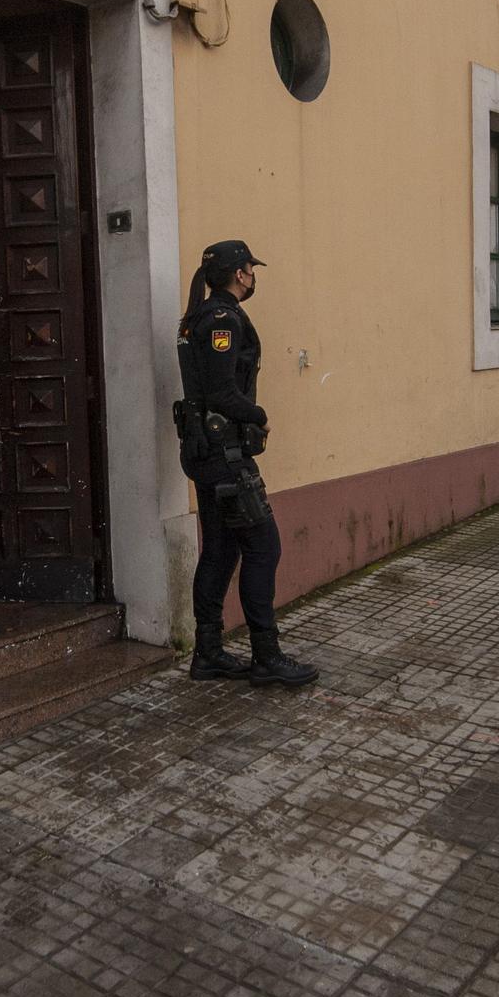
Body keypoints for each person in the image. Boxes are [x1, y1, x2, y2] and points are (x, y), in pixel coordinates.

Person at [172, 240, 317, 687]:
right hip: (225, 457)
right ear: (241, 274)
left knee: (221, 549)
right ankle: (266, 657)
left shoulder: (201, 315)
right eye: (252, 268)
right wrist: (258, 416)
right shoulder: (221, 319)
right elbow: (220, 391)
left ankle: (209, 653)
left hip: (210, 454)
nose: (254, 276)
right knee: (263, 547)